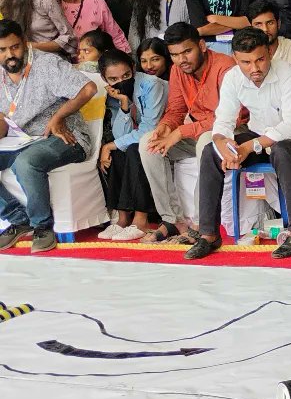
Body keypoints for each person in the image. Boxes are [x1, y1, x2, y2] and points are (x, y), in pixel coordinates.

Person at [185, 27, 291, 260]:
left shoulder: (288, 74)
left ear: (269, 52)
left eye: (259, 59)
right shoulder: (233, 77)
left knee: (282, 149)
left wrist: (250, 146)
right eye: (246, 62)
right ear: (236, 59)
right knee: (210, 151)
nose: (254, 68)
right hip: (261, 137)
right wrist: (223, 144)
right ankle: (209, 235)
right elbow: (224, 121)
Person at [0, 20, 96, 253]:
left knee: (27, 162)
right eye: (2, 50)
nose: (10, 55)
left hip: (66, 137)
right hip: (22, 139)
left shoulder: (46, 64)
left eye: (14, 47)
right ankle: (17, 218)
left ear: (24, 43)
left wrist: (58, 117)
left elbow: (88, 89)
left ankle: (42, 227)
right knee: (26, 156)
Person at [139, 22, 235, 243]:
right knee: (148, 144)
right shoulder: (177, 70)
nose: (181, 60)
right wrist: (165, 127)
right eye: (174, 55)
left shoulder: (225, 67)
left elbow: (231, 117)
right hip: (197, 130)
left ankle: (201, 224)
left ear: (201, 45)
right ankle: (173, 220)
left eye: (187, 51)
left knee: (205, 142)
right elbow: (176, 110)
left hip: (231, 132)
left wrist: (180, 131)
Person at [96, 49, 166, 242]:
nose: (121, 81)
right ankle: (122, 218)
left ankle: (141, 219)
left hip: (163, 136)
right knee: (119, 151)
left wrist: (110, 145)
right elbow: (122, 135)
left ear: (134, 68)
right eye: (113, 78)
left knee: (135, 148)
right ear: (104, 78)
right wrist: (124, 104)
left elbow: (149, 129)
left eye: (126, 75)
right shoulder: (113, 93)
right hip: (142, 138)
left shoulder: (151, 85)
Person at [247, 0, 291, 70]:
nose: (265, 29)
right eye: (258, 24)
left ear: (278, 24)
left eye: (270, 23)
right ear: (251, 27)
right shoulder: (245, 53)